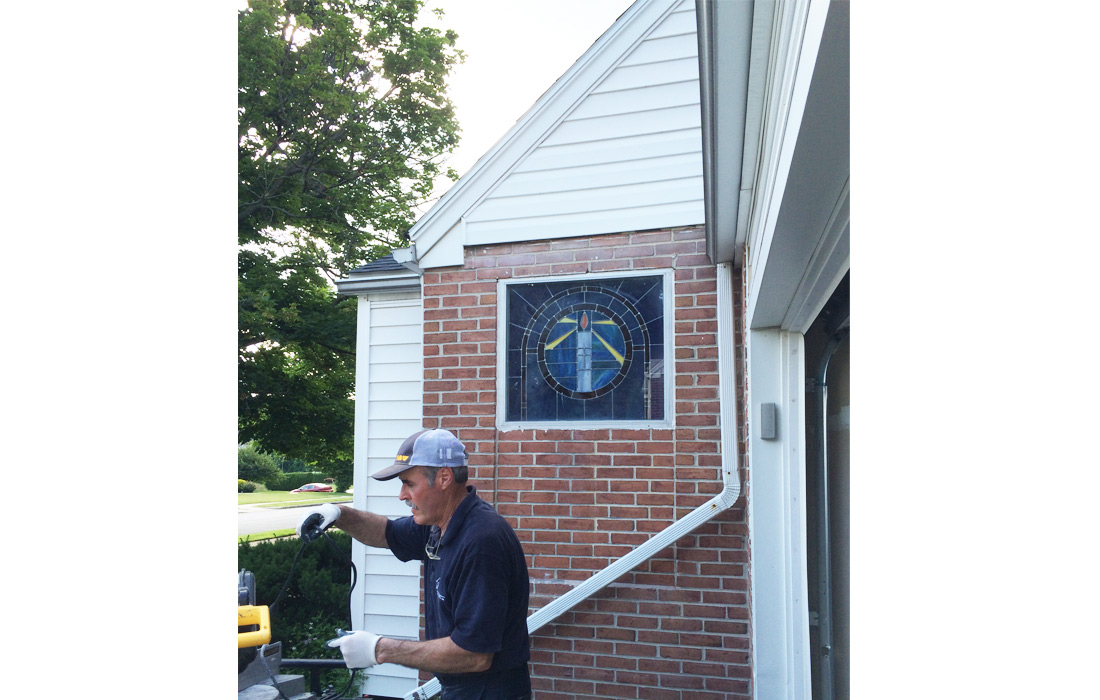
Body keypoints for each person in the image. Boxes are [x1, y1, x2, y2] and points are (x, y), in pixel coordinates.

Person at [297, 428, 532, 700]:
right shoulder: (438, 525)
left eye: (409, 483)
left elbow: (475, 655)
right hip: (464, 689)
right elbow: (385, 532)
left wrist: (379, 649)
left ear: (444, 478)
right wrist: (337, 514)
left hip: (491, 692)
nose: (402, 495)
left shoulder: (481, 542)